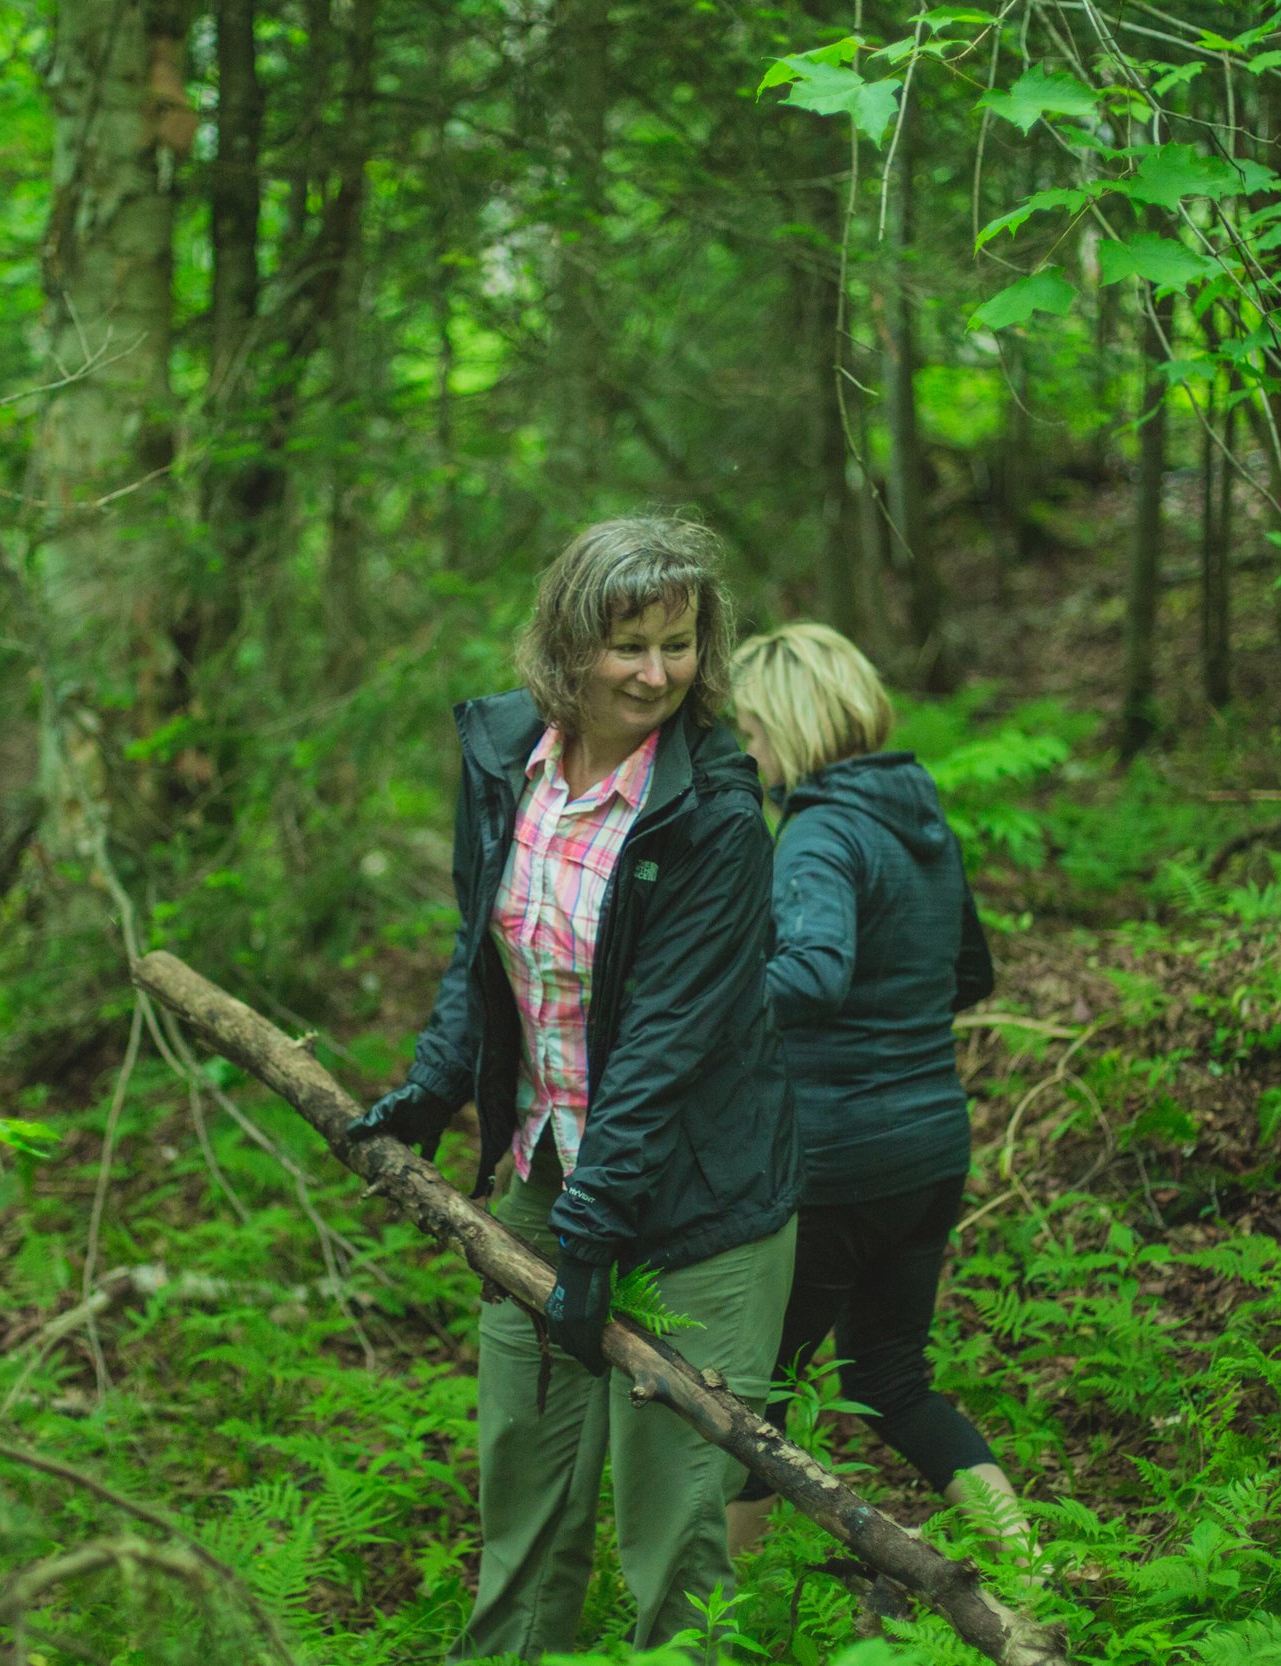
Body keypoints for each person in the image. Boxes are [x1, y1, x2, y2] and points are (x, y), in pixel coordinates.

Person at [348, 518, 801, 1659]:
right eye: (628, 645)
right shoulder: (508, 756)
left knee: (677, 1530)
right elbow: (481, 955)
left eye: (680, 644)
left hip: (700, 1209)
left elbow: (666, 1043)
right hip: (550, 1177)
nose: (656, 673)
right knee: (526, 1506)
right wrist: (433, 1085)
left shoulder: (713, 810)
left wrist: (594, 1240)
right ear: (567, 643)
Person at [721, 623, 1023, 1552]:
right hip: (931, 1149)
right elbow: (969, 972)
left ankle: (720, 1627)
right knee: (893, 1379)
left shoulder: (816, 832)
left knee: (750, 1397)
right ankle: (1034, 1567)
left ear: (794, 724)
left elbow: (811, 978)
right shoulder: (917, 817)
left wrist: (701, 1007)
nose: (749, 753)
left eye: (753, 731)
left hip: (837, 1164)